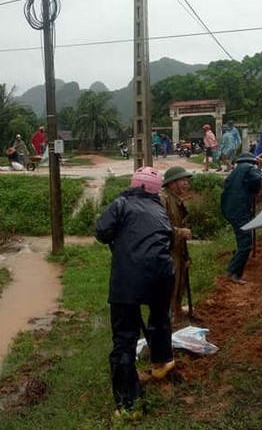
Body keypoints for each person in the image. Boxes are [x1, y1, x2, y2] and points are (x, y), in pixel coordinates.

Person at [95, 167, 176, 411]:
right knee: (160, 319)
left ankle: (126, 402)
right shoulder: (159, 209)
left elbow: (101, 232)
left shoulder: (121, 203)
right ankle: (161, 363)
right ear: (154, 189)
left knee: (124, 337)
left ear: (134, 185)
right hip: (163, 274)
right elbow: (168, 238)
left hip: (128, 278)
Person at [220, 152, 262, 285]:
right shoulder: (249, 168)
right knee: (246, 243)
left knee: (243, 239)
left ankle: (236, 265)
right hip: (238, 210)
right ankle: (233, 272)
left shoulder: (236, 171)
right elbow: (256, 179)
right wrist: (255, 187)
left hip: (230, 209)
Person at [159, 166, 194, 320]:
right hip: (168, 248)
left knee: (180, 278)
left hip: (177, 246)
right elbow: (159, 226)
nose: (186, 184)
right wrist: (179, 231)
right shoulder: (163, 199)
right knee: (171, 281)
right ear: (172, 183)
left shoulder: (176, 199)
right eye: (183, 180)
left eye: (187, 180)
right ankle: (169, 316)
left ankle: (177, 309)